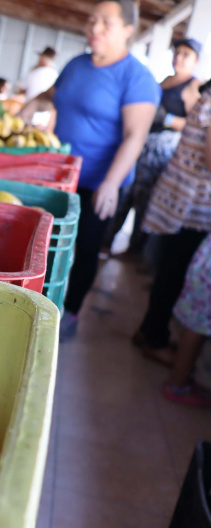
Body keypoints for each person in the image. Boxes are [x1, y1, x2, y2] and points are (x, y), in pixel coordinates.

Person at [19, 0, 159, 341]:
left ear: (129, 29)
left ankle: (71, 313)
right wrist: (25, 108)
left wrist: (111, 183)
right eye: (92, 20)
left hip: (98, 182)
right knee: (44, 244)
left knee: (83, 248)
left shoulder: (136, 78)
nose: (94, 28)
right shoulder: (77, 64)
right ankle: (36, 303)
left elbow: (135, 135)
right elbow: (52, 95)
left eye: (106, 23)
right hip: (59, 175)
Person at [133, 78, 211, 366]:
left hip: (184, 200)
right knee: (173, 274)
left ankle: (149, 331)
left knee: (169, 272)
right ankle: (155, 338)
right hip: (191, 206)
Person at [107, 38, 202, 259]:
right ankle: (107, 242)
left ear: (196, 60)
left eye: (185, 54)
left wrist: (167, 118)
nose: (178, 57)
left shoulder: (194, 86)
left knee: (143, 200)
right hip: (141, 143)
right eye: (177, 53)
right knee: (124, 192)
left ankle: (134, 250)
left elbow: (195, 125)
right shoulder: (166, 80)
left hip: (161, 148)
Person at [165, 234, 211, 407]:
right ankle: (176, 383)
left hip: (205, 261)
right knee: (196, 330)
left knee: (193, 327)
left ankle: (179, 378)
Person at [19, 47, 59, 128]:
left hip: (27, 115)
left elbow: (21, 91)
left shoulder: (32, 73)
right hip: (44, 121)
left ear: (43, 59)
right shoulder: (56, 76)